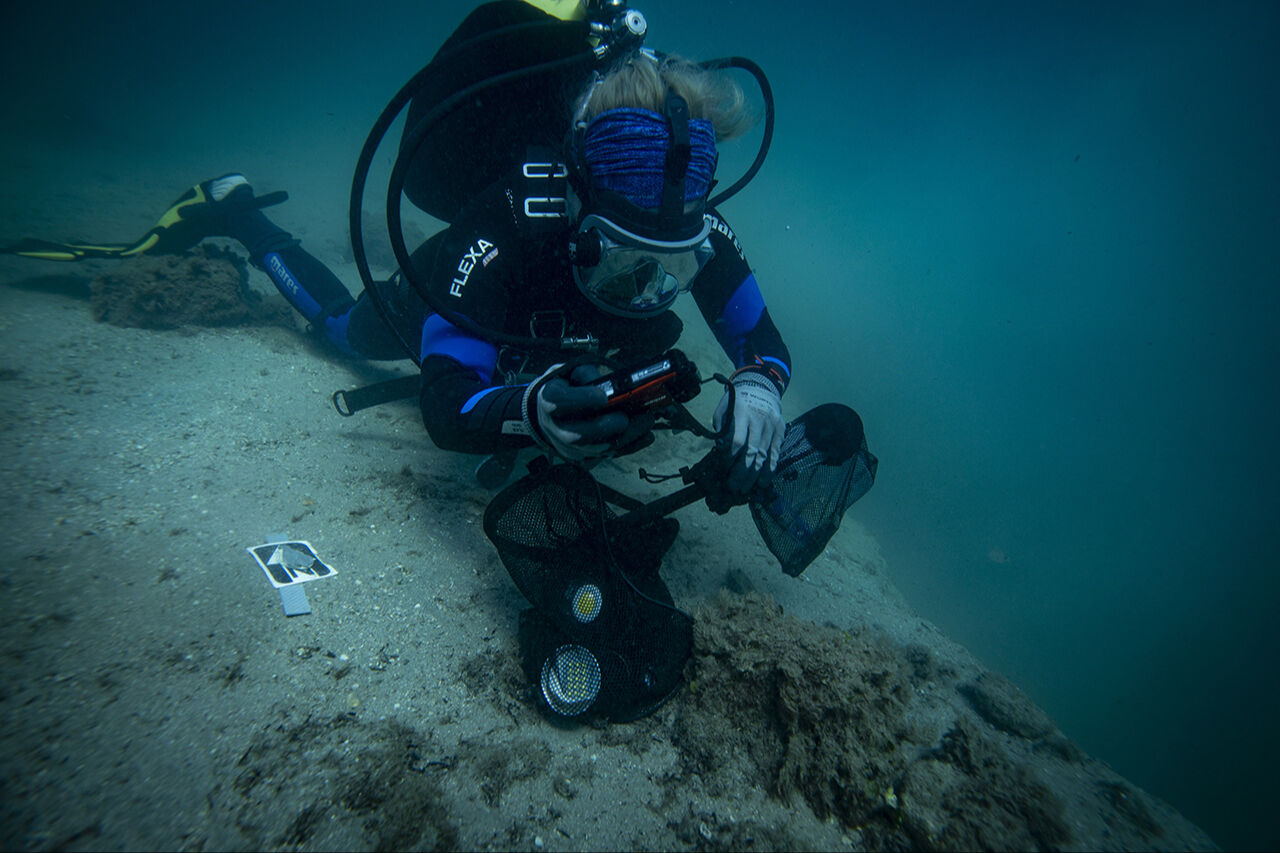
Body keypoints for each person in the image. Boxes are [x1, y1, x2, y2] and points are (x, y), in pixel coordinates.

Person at [4, 15, 793, 503]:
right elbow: (447, 401)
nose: (641, 283)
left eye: (668, 269)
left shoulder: (688, 222)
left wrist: (760, 383)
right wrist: (526, 411)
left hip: (546, 349)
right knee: (341, 329)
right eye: (618, 255)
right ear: (579, 203)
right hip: (467, 299)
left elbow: (760, 338)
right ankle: (241, 215)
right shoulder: (507, 219)